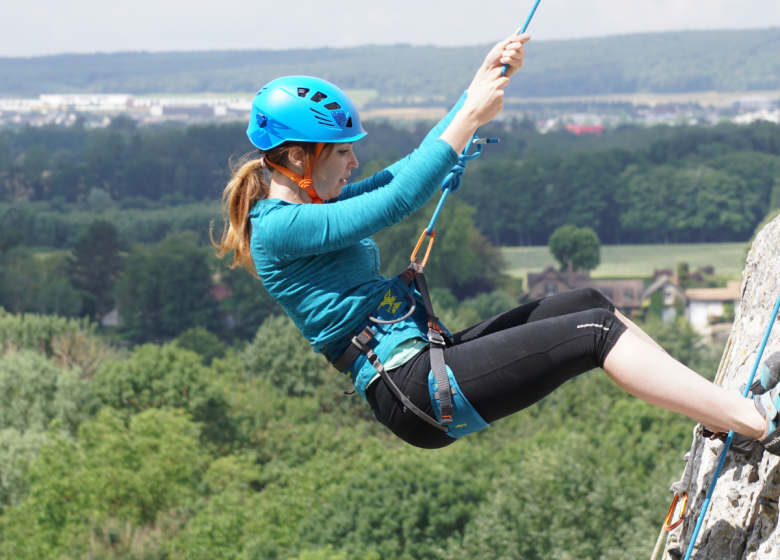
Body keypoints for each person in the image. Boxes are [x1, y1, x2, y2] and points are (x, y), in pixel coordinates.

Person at [213, 30, 780, 453]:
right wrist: (470, 117)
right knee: (595, 335)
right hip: (412, 390)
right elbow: (399, 199)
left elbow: (406, 171)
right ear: (295, 157)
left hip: (422, 363)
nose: (355, 161)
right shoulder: (280, 229)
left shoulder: (315, 204)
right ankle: (760, 423)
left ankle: (721, 412)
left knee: (585, 304)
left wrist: (475, 93)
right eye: (341, 152)